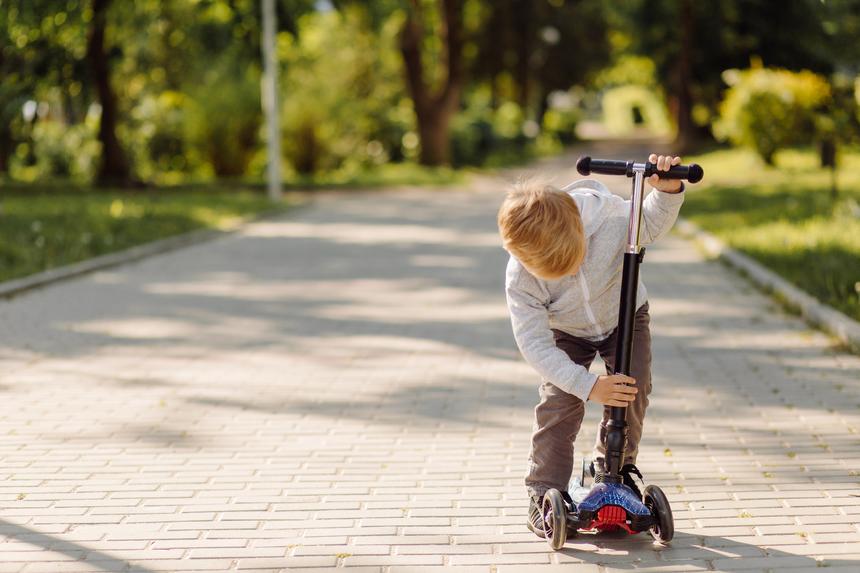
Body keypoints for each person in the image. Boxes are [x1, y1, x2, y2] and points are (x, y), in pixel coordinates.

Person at [497, 154, 685, 538]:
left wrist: (666, 193)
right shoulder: (521, 275)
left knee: (631, 390)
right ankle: (542, 490)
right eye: (555, 273)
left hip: (623, 315)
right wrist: (586, 385)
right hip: (566, 330)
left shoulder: (610, 219)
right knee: (559, 404)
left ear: (580, 231)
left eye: (571, 262)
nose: (566, 274)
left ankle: (615, 470)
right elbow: (534, 344)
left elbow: (647, 221)